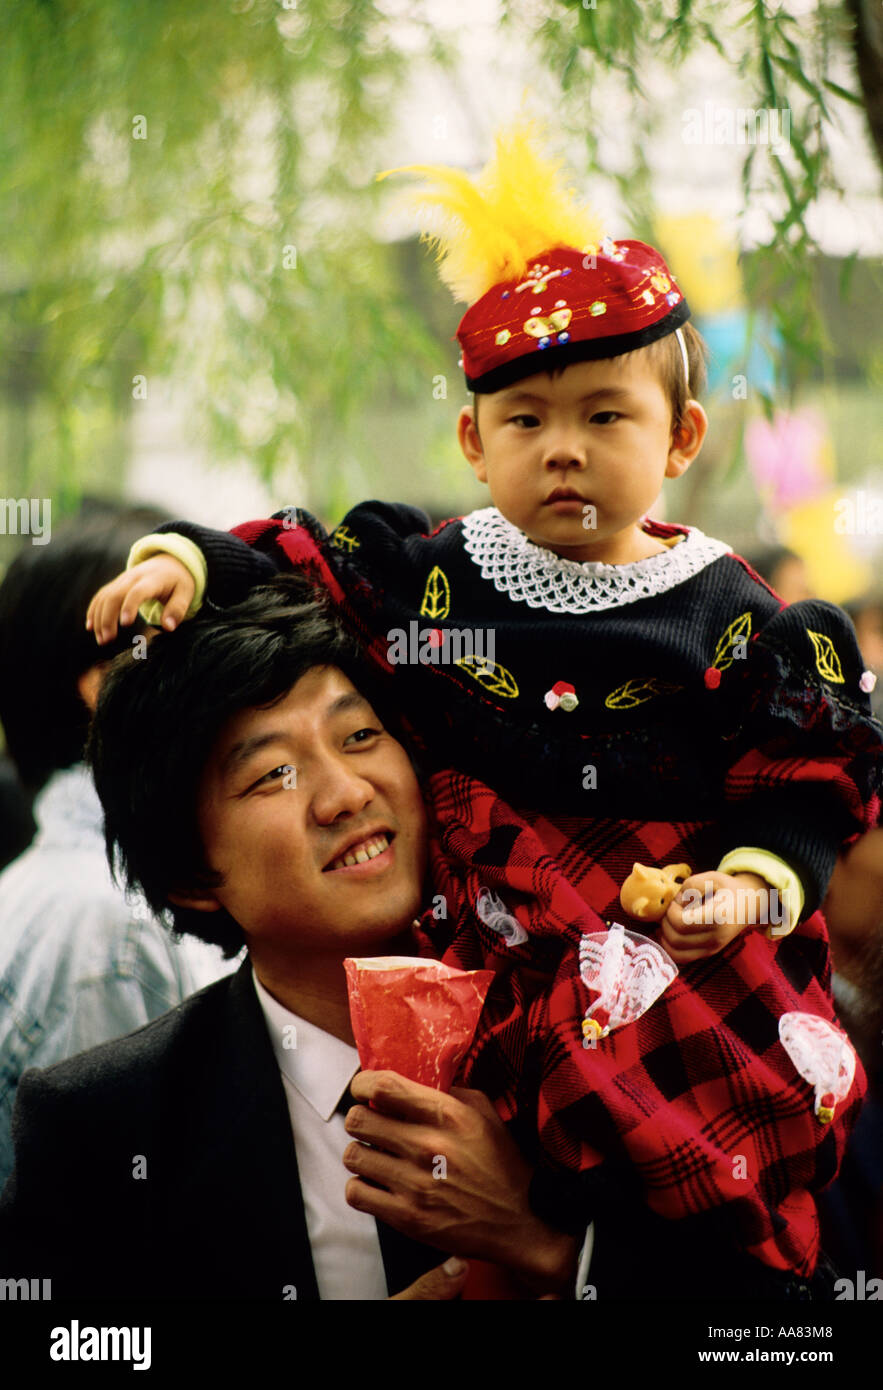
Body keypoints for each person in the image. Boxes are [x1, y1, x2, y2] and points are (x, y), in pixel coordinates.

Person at [86, 130, 882, 1293]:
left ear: (682, 438)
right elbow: (302, 555)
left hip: (673, 951)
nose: (562, 451)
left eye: (604, 418)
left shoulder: (735, 617)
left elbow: (801, 775)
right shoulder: (438, 577)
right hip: (507, 924)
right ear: (470, 439)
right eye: (524, 421)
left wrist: (750, 881)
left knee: (710, 1160)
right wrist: (184, 563)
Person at [0, 579, 579, 1301]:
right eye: (273, 774)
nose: (346, 793)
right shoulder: (105, 1123)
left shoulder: (576, 1028)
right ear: (189, 873)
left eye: (359, 736)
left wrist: (548, 1248)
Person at [0, 508, 233, 1187]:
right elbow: (127, 1244)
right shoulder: (112, 925)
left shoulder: (81, 892)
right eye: (190, 634)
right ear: (106, 683)